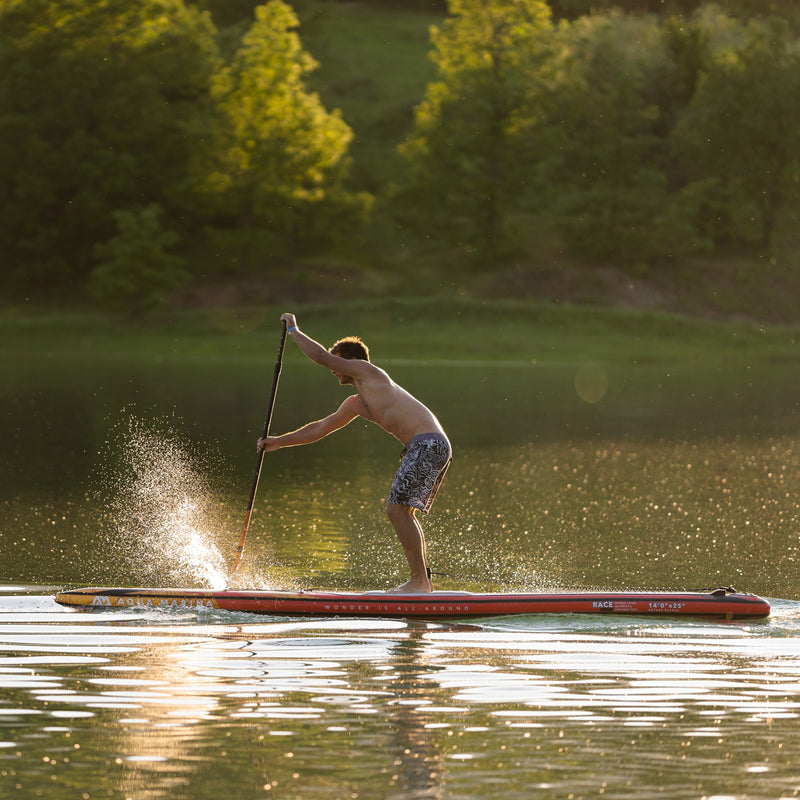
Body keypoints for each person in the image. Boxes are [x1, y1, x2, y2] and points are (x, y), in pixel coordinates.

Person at [258, 312, 451, 593]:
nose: (333, 370)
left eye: (337, 362)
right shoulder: (356, 403)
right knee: (402, 511)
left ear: (352, 362)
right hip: (425, 447)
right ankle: (422, 582)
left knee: (397, 511)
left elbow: (321, 357)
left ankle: (419, 582)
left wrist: (293, 330)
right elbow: (321, 428)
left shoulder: (369, 372)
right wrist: (279, 441)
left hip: (429, 444)